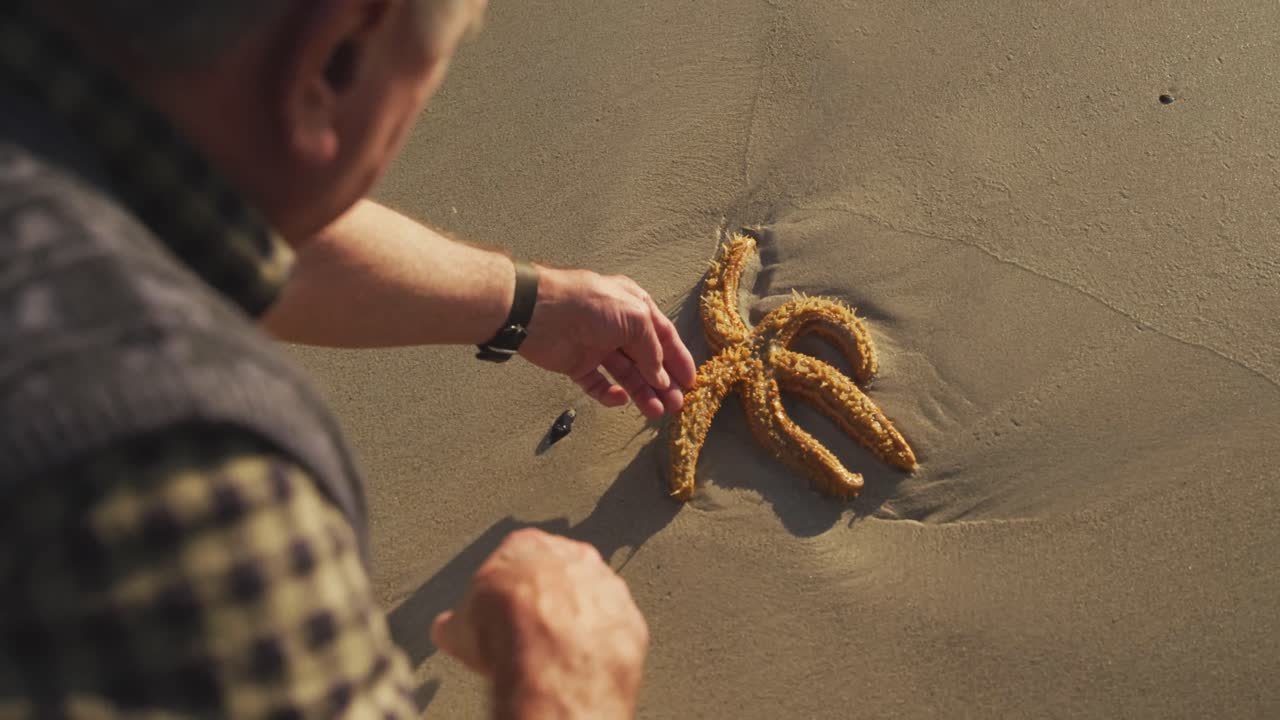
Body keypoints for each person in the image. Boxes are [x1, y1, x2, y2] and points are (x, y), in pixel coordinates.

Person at [0, 0, 696, 717]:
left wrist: (528, 305)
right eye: (427, 76)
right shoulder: (194, 494)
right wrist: (566, 675)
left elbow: (218, 219)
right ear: (331, 57)